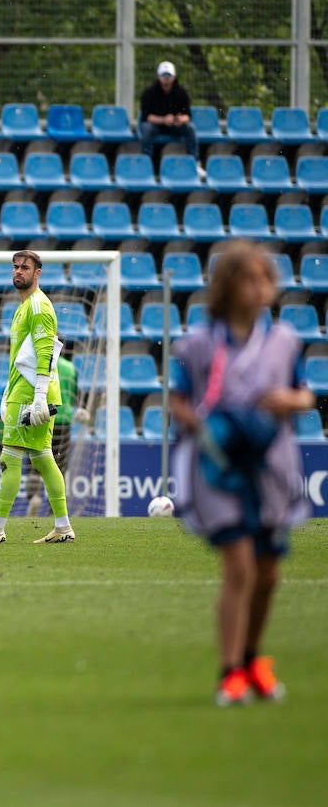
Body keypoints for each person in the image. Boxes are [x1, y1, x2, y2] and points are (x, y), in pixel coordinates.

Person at [167, 241, 313, 706]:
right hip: (219, 466)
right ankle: (229, 671)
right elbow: (178, 400)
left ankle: (253, 659)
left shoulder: (285, 341)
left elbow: (305, 395)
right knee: (239, 566)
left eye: (264, 279)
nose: (258, 288)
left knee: (269, 573)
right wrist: (204, 427)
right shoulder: (198, 344)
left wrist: (288, 402)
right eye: (248, 279)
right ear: (228, 287)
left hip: (270, 464)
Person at [0, 251, 73, 544]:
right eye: (16, 267)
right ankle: (63, 526)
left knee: (9, 458)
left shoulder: (38, 306)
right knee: (43, 457)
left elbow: (47, 352)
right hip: (26, 391)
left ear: (38, 273)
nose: (18, 272)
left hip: (30, 393)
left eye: (25, 268)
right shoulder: (25, 306)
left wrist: (37, 397)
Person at [26, 353, 75, 517]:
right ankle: (54, 507)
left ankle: (33, 497)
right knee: (59, 465)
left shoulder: (37, 362)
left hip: (41, 416)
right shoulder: (70, 368)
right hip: (62, 419)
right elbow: (74, 395)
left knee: (35, 460)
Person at [138, 60, 197, 160]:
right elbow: (147, 117)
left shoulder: (182, 92)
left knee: (190, 128)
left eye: (168, 75)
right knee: (147, 129)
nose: (166, 78)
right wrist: (164, 120)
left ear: (173, 77)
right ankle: (146, 161)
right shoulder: (149, 92)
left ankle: (195, 161)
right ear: (158, 76)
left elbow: (187, 115)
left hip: (175, 126)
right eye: (163, 75)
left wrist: (179, 120)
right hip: (156, 126)